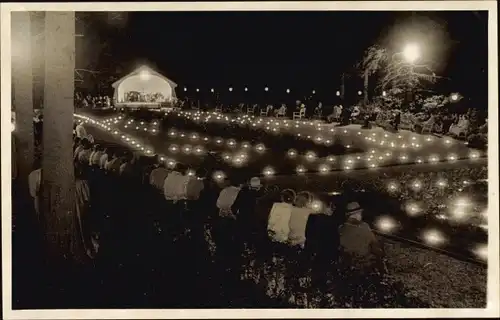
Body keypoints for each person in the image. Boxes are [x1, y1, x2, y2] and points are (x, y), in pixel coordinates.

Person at [338, 202, 384, 274]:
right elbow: (374, 244)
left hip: (347, 264)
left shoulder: (341, 228)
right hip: (364, 264)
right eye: (360, 214)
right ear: (356, 215)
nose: (361, 216)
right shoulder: (363, 226)